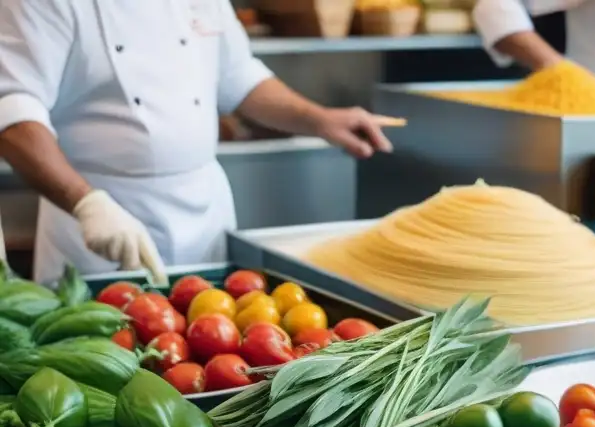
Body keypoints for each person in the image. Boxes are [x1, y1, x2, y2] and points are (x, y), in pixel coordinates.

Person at [0, 0, 396, 286]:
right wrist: (87, 204)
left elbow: (239, 78)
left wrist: (321, 120)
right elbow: (12, 110)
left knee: (208, 354)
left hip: (202, 215)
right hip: (105, 221)